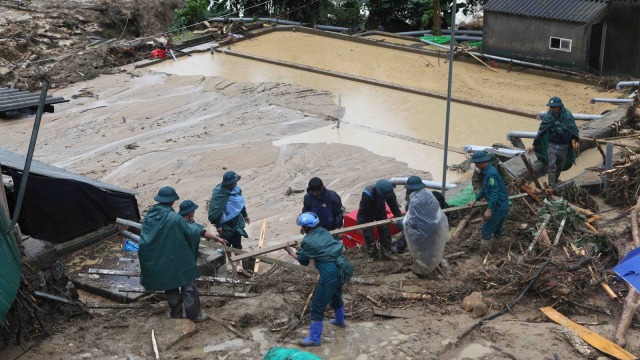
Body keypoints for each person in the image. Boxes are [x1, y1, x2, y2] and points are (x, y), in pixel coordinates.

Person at [138, 187, 228, 321]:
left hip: (160, 259)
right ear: (172, 201)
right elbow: (192, 232)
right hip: (177, 258)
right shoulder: (174, 218)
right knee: (188, 285)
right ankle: (194, 315)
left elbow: (147, 237)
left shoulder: (150, 216)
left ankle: (176, 315)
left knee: (170, 287)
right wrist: (216, 238)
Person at [285, 212, 352, 346]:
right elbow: (316, 249)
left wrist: (290, 251)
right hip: (341, 269)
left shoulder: (308, 241)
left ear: (306, 227)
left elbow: (303, 260)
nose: (301, 228)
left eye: (302, 226)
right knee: (336, 297)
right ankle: (340, 321)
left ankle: (314, 339)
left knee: (317, 306)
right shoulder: (324, 232)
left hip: (329, 275)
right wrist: (300, 248)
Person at [527, 96, 580, 189]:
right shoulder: (548, 117)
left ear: (559, 107)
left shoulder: (567, 115)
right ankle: (551, 186)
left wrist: (577, 141)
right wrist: (534, 144)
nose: (552, 109)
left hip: (564, 145)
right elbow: (542, 131)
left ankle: (554, 182)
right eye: (551, 107)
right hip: (552, 144)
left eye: (554, 107)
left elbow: (573, 129)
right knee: (552, 165)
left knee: (559, 166)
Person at [208, 171, 251, 274]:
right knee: (226, 243)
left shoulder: (236, 190)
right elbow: (215, 209)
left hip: (236, 220)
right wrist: (218, 225)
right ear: (228, 183)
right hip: (224, 223)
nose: (236, 184)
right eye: (234, 182)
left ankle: (238, 263)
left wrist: (245, 215)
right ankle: (230, 262)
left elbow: (239, 203)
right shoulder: (219, 193)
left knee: (237, 243)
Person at [393, 176, 449, 254]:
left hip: (422, 233)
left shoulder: (414, 202)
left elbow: (410, 224)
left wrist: (397, 223)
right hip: (435, 228)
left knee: (422, 254)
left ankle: (400, 247)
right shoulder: (429, 195)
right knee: (432, 253)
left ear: (409, 189)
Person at [467, 152, 509, 253]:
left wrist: (489, 210)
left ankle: (483, 254)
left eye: (476, 163)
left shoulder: (491, 174)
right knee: (497, 229)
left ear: (481, 162)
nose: (476, 165)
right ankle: (494, 251)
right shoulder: (487, 171)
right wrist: (476, 200)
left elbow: (494, 193)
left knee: (486, 229)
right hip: (501, 204)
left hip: (497, 206)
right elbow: (485, 188)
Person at [357, 179, 402, 260]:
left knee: (385, 230)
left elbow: (393, 205)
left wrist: (398, 217)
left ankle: (386, 252)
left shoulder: (389, 192)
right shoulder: (367, 194)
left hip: (380, 210)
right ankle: (373, 255)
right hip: (368, 212)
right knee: (368, 234)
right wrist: (359, 223)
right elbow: (362, 210)